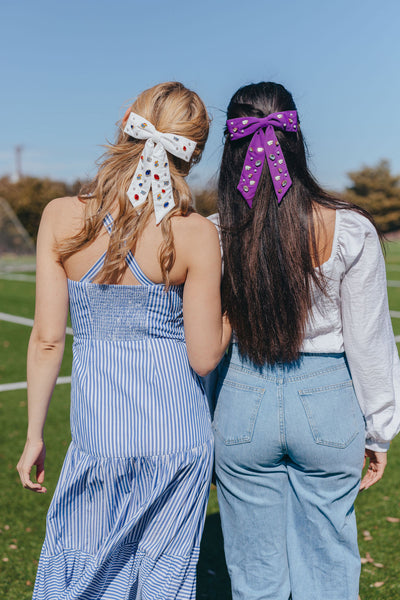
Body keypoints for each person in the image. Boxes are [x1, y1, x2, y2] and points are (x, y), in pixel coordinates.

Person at [17, 81, 231, 600]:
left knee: (83, 579)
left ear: (126, 127)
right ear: (192, 152)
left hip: (101, 439)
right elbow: (205, 357)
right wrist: (239, 310)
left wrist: (33, 437)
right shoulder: (198, 233)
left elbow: (47, 340)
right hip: (179, 440)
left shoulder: (61, 215)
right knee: (162, 582)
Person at [212, 81, 400, 600]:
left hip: (243, 398)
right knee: (330, 571)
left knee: (254, 578)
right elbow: (370, 341)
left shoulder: (216, 232)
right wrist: (380, 430)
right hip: (329, 400)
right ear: (295, 138)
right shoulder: (350, 229)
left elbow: (205, 345)